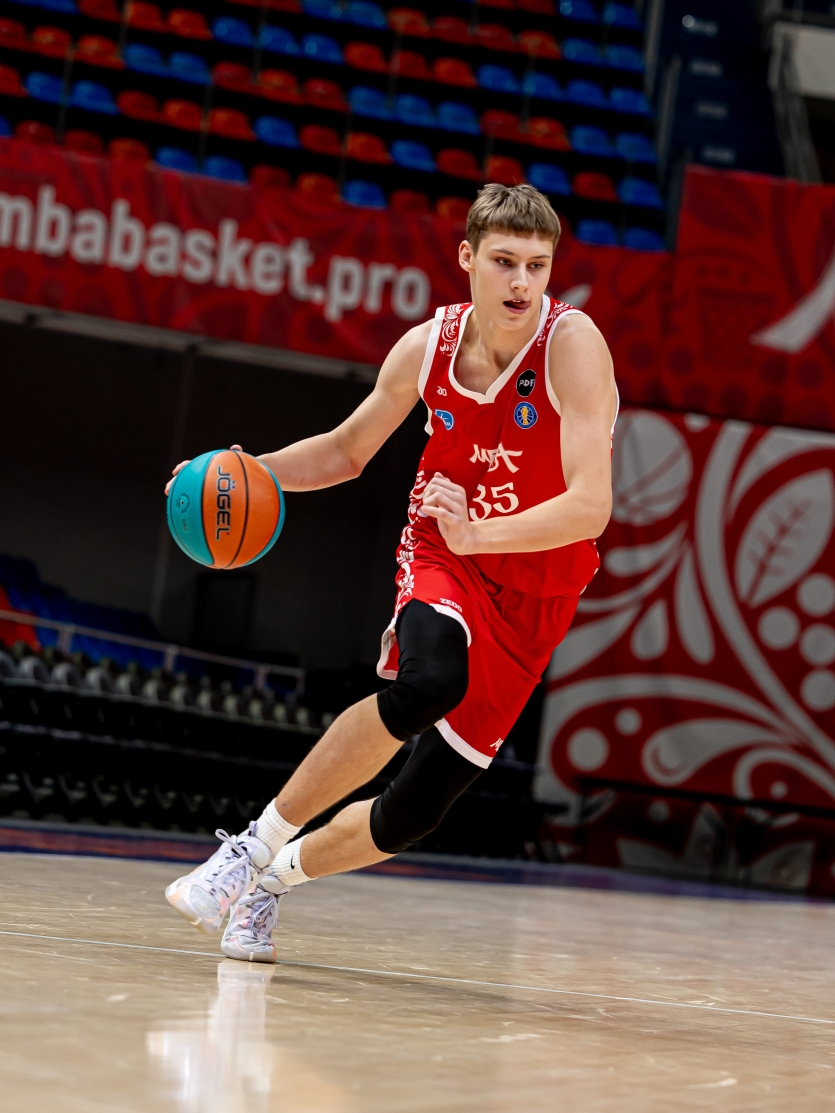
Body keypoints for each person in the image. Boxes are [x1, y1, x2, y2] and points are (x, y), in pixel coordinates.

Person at [164, 183, 618, 963]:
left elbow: (589, 507)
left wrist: (481, 532)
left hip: (534, 591)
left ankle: (269, 882)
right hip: (444, 551)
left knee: (414, 811)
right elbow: (346, 451)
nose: (520, 282)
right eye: (503, 261)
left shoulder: (571, 345)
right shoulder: (426, 347)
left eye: (536, 266)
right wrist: (242, 472)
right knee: (427, 682)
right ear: (467, 257)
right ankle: (246, 846)